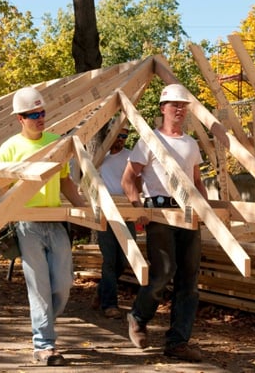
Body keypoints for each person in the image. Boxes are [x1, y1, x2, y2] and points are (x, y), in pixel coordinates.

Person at [0, 86, 86, 366]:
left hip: (55, 221)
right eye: (33, 114)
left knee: (63, 284)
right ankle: (44, 345)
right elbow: (2, 188)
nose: (40, 117)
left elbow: (64, 181)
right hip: (27, 225)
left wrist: (85, 209)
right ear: (19, 119)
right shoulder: (10, 148)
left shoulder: (57, 142)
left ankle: (45, 324)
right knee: (38, 288)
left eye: (42, 112)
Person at [121, 84, 208, 362]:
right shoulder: (149, 141)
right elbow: (128, 179)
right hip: (158, 213)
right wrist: (138, 208)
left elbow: (196, 182)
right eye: (174, 105)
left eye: (183, 105)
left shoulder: (191, 144)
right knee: (164, 271)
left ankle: (177, 343)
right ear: (163, 109)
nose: (179, 109)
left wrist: (205, 211)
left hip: (188, 214)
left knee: (189, 280)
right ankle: (138, 316)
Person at [92, 123, 137, 319]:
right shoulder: (99, 158)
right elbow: (82, 178)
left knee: (125, 260)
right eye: (118, 135)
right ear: (110, 135)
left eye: (125, 136)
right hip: (105, 214)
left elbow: (138, 182)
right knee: (109, 260)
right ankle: (109, 304)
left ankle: (102, 291)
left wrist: (138, 207)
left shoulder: (130, 156)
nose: (121, 139)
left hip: (126, 214)